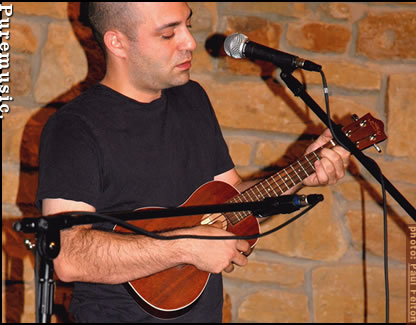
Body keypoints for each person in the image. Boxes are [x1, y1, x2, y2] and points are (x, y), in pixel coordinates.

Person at [36, 2, 350, 323]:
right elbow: (69, 255)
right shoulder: (75, 127)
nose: (189, 42)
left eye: (188, 25)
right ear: (117, 42)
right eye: (169, 33)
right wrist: (185, 247)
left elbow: (231, 202)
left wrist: (303, 171)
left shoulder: (192, 100)